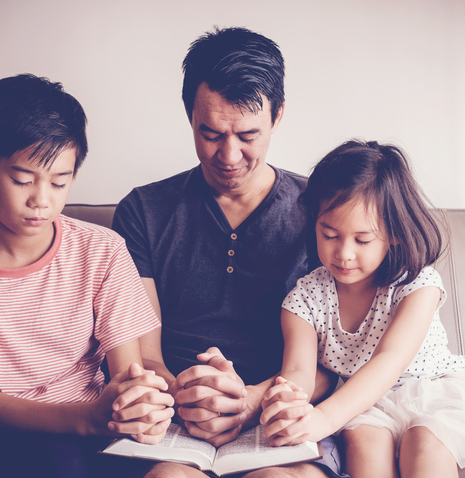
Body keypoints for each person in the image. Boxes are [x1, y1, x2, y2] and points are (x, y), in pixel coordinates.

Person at [0, 74, 175, 477]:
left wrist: (140, 404)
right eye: (22, 180)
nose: (41, 199)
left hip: (85, 426)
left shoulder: (102, 250)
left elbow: (128, 373)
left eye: (59, 181)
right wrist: (88, 418)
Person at [113, 27, 343, 477]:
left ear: (278, 116)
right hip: (174, 417)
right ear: (189, 115)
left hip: (281, 412)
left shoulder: (326, 214)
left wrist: (255, 398)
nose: (229, 155)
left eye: (248, 135)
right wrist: (192, 396)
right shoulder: (143, 211)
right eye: (211, 133)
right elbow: (144, 353)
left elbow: (335, 363)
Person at [259, 139, 465, 477]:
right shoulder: (305, 298)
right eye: (329, 235)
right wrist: (289, 402)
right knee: (363, 439)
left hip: (436, 393)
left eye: (362, 239)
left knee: (423, 439)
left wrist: (323, 418)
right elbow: (298, 372)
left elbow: (389, 362)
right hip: (367, 404)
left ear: (393, 233)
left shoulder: (417, 284)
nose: (344, 253)